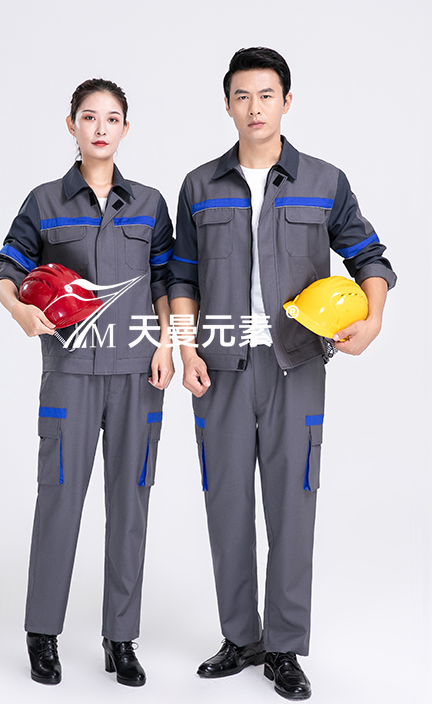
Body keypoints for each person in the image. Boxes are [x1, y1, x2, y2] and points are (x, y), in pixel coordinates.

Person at [167, 47, 395, 701]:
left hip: (297, 365)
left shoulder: (324, 181)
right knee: (226, 501)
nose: (254, 107)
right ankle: (242, 638)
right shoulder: (199, 186)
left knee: (293, 504)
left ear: (286, 102)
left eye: (266, 95)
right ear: (228, 104)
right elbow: (181, 277)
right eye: (242, 96)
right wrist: (186, 351)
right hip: (220, 364)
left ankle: (285, 648)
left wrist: (374, 318)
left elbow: (369, 255)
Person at [0, 78, 174, 687]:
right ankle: (42, 633)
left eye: (112, 118)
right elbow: (8, 266)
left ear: (126, 128)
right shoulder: (45, 201)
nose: (101, 127)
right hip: (69, 374)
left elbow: (167, 281)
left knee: (130, 505)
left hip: (138, 376)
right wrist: (18, 310)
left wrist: (168, 345)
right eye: (89, 117)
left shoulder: (149, 204)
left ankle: (121, 639)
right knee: (59, 500)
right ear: (71, 124)